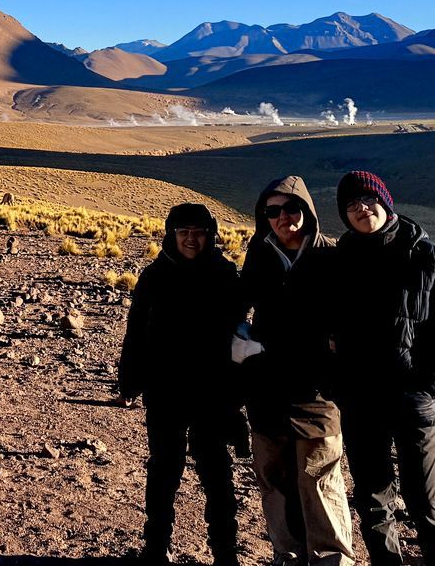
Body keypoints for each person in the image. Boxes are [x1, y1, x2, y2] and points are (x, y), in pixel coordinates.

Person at [327, 171, 435, 566]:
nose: (361, 209)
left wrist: (428, 386)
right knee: (373, 502)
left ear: (386, 202)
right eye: (351, 205)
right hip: (360, 402)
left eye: (368, 200)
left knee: (427, 502)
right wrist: (337, 379)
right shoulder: (339, 262)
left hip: (414, 403)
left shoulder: (431, 258)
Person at [118, 202, 246, 566]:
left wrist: (238, 389)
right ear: (171, 235)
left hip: (213, 392)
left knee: (216, 473)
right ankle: (155, 547)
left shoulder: (224, 275)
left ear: (211, 234)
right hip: (165, 389)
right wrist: (130, 377)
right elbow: (137, 329)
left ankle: (225, 552)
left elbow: (240, 334)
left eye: (199, 232)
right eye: (184, 232)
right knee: (163, 470)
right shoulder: (155, 276)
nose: (192, 239)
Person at [239, 176, 353, 566]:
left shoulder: (330, 258)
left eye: (291, 209)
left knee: (320, 481)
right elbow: (239, 310)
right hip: (267, 392)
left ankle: (331, 561)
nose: (283, 217)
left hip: (316, 395)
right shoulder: (259, 255)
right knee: (274, 483)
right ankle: (286, 557)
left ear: (306, 211)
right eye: (272, 211)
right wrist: (246, 350)